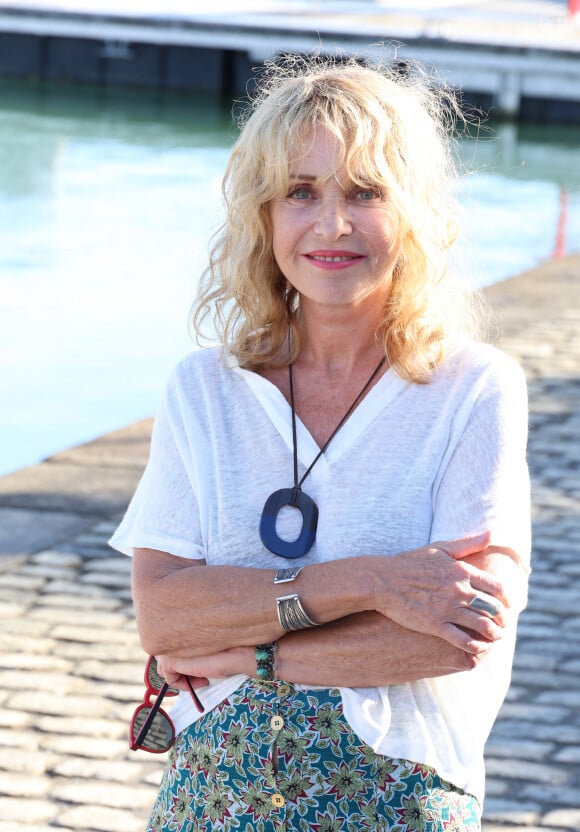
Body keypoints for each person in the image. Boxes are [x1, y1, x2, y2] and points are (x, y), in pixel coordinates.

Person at [110, 55, 530, 832]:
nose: (331, 224)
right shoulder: (205, 390)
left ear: (414, 214)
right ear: (264, 214)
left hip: (400, 792)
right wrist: (372, 582)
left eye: (365, 193)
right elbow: (166, 620)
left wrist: (248, 655)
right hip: (217, 790)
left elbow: (456, 637)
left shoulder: (474, 388)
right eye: (301, 192)